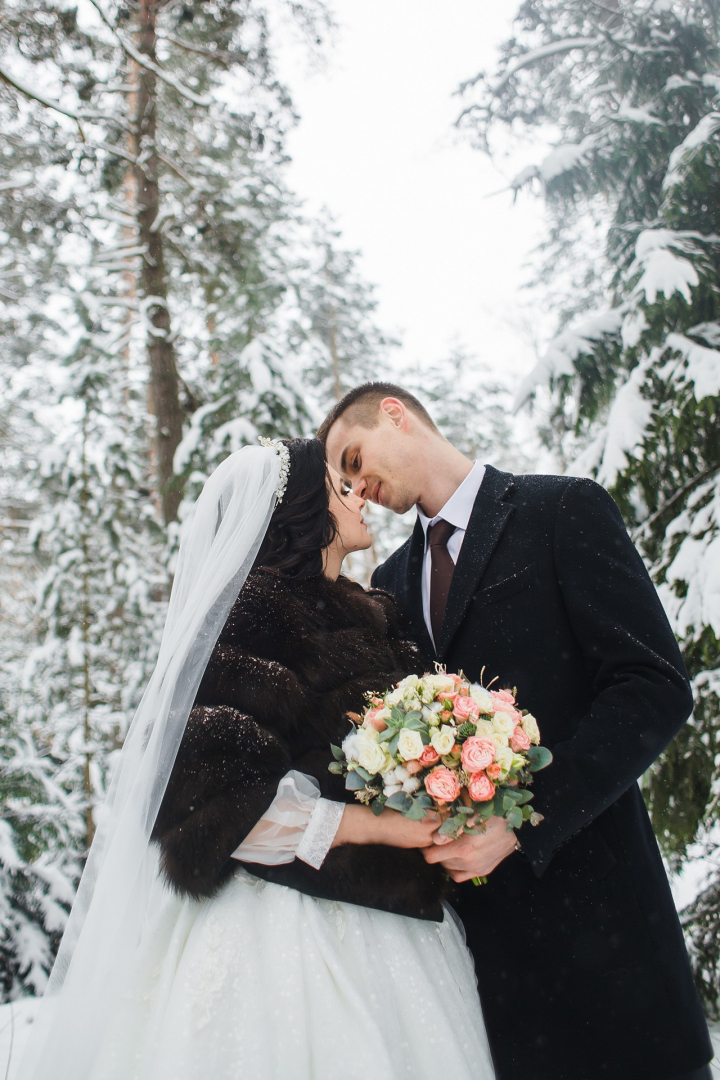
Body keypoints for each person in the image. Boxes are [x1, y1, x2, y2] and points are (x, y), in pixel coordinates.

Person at [19, 437, 495, 1080]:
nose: (356, 492)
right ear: (299, 509)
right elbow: (216, 807)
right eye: (336, 483)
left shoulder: (378, 612)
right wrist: (387, 827)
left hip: (404, 924)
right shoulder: (256, 615)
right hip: (285, 935)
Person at [319, 383, 714, 1080]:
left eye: (354, 459)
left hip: (609, 935)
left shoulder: (561, 510)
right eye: (343, 483)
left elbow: (652, 685)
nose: (358, 487)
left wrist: (525, 823)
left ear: (394, 413)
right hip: (490, 972)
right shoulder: (390, 578)